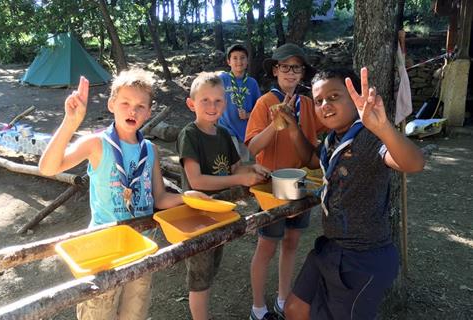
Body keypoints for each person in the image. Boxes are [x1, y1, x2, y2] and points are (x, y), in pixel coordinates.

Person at [39, 69, 207, 320]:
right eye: (125, 103)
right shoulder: (96, 144)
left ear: (149, 112)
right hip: (104, 252)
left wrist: (189, 197)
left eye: (141, 106)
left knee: (134, 314)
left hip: (142, 249)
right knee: (99, 312)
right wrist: (70, 122)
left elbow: (159, 199)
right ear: (111, 105)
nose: (133, 111)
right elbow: (48, 167)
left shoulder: (149, 150)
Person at [284, 67, 425, 320]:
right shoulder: (332, 140)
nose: (325, 104)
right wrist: (293, 127)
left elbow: (414, 163)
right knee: (295, 308)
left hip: (363, 258)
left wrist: (383, 129)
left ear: (353, 97)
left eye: (334, 96)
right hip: (331, 248)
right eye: (319, 101)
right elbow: (311, 159)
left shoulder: (369, 138)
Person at [177, 72, 270, 320]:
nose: (212, 106)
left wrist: (253, 169)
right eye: (205, 100)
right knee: (200, 279)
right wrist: (240, 178)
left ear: (225, 105)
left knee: (210, 270)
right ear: (191, 104)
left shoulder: (224, 135)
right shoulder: (190, 134)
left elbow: (237, 168)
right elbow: (196, 181)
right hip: (196, 219)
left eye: (218, 101)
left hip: (219, 215)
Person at [245, 43, 326, 320]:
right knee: (267, 245)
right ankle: (258, 307)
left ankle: (282, 298)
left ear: (303, 73)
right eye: (285, 67)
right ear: (275, 70)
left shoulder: (308, 104)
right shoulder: (264, 103)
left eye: (297, 67)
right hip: (271, 187)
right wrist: (275, 122)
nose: (291, 72)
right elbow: (252, 148)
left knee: (292, 241)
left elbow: (329, 124)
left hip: (301, 184)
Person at [218, 43, 261, 162]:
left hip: (245, 131)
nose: (239, 61)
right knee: (232, 162)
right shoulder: (222, 79)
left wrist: (247, 115)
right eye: (234, 58)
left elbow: (259, 110)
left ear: (247, 61)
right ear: (228, 61)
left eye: (242, 58)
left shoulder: (252, 83)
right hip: (226, 129)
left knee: (244, 163)